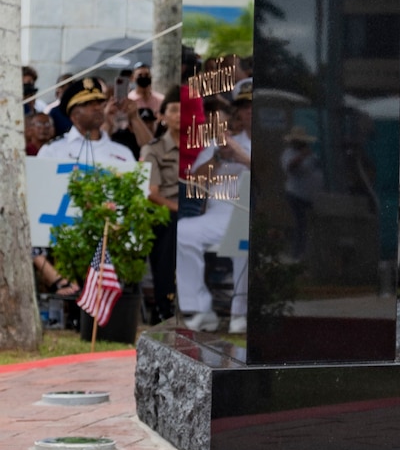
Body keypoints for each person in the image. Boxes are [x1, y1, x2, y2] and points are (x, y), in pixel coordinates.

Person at [177, 90, 252, 333]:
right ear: (238, 112)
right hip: (218, 214)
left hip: (252, 213)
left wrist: (239, 155)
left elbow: (272, 174)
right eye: (244, 105)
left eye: (253, 105)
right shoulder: (219, 143)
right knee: (183, 231)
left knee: (244, 237)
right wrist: (219, 157)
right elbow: (196, 182)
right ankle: (200, 309)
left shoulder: (270, 139)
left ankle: (240, 314)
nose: (250, 109)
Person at [140, 97, 181, 321]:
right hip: (164, 210)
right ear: (162, 116)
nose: (179, 115)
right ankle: (164, 304)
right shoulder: (153, 149)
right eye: (174, 110)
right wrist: (179, 209)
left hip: (195, 209)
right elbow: (152, 193)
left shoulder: (199, 148)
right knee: (172, 224)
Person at [40, 77, 139, 171]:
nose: (97, 108)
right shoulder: (53, 151)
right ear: (74, 116)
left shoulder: (123, 153)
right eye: (88, 104)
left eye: (99, 102)